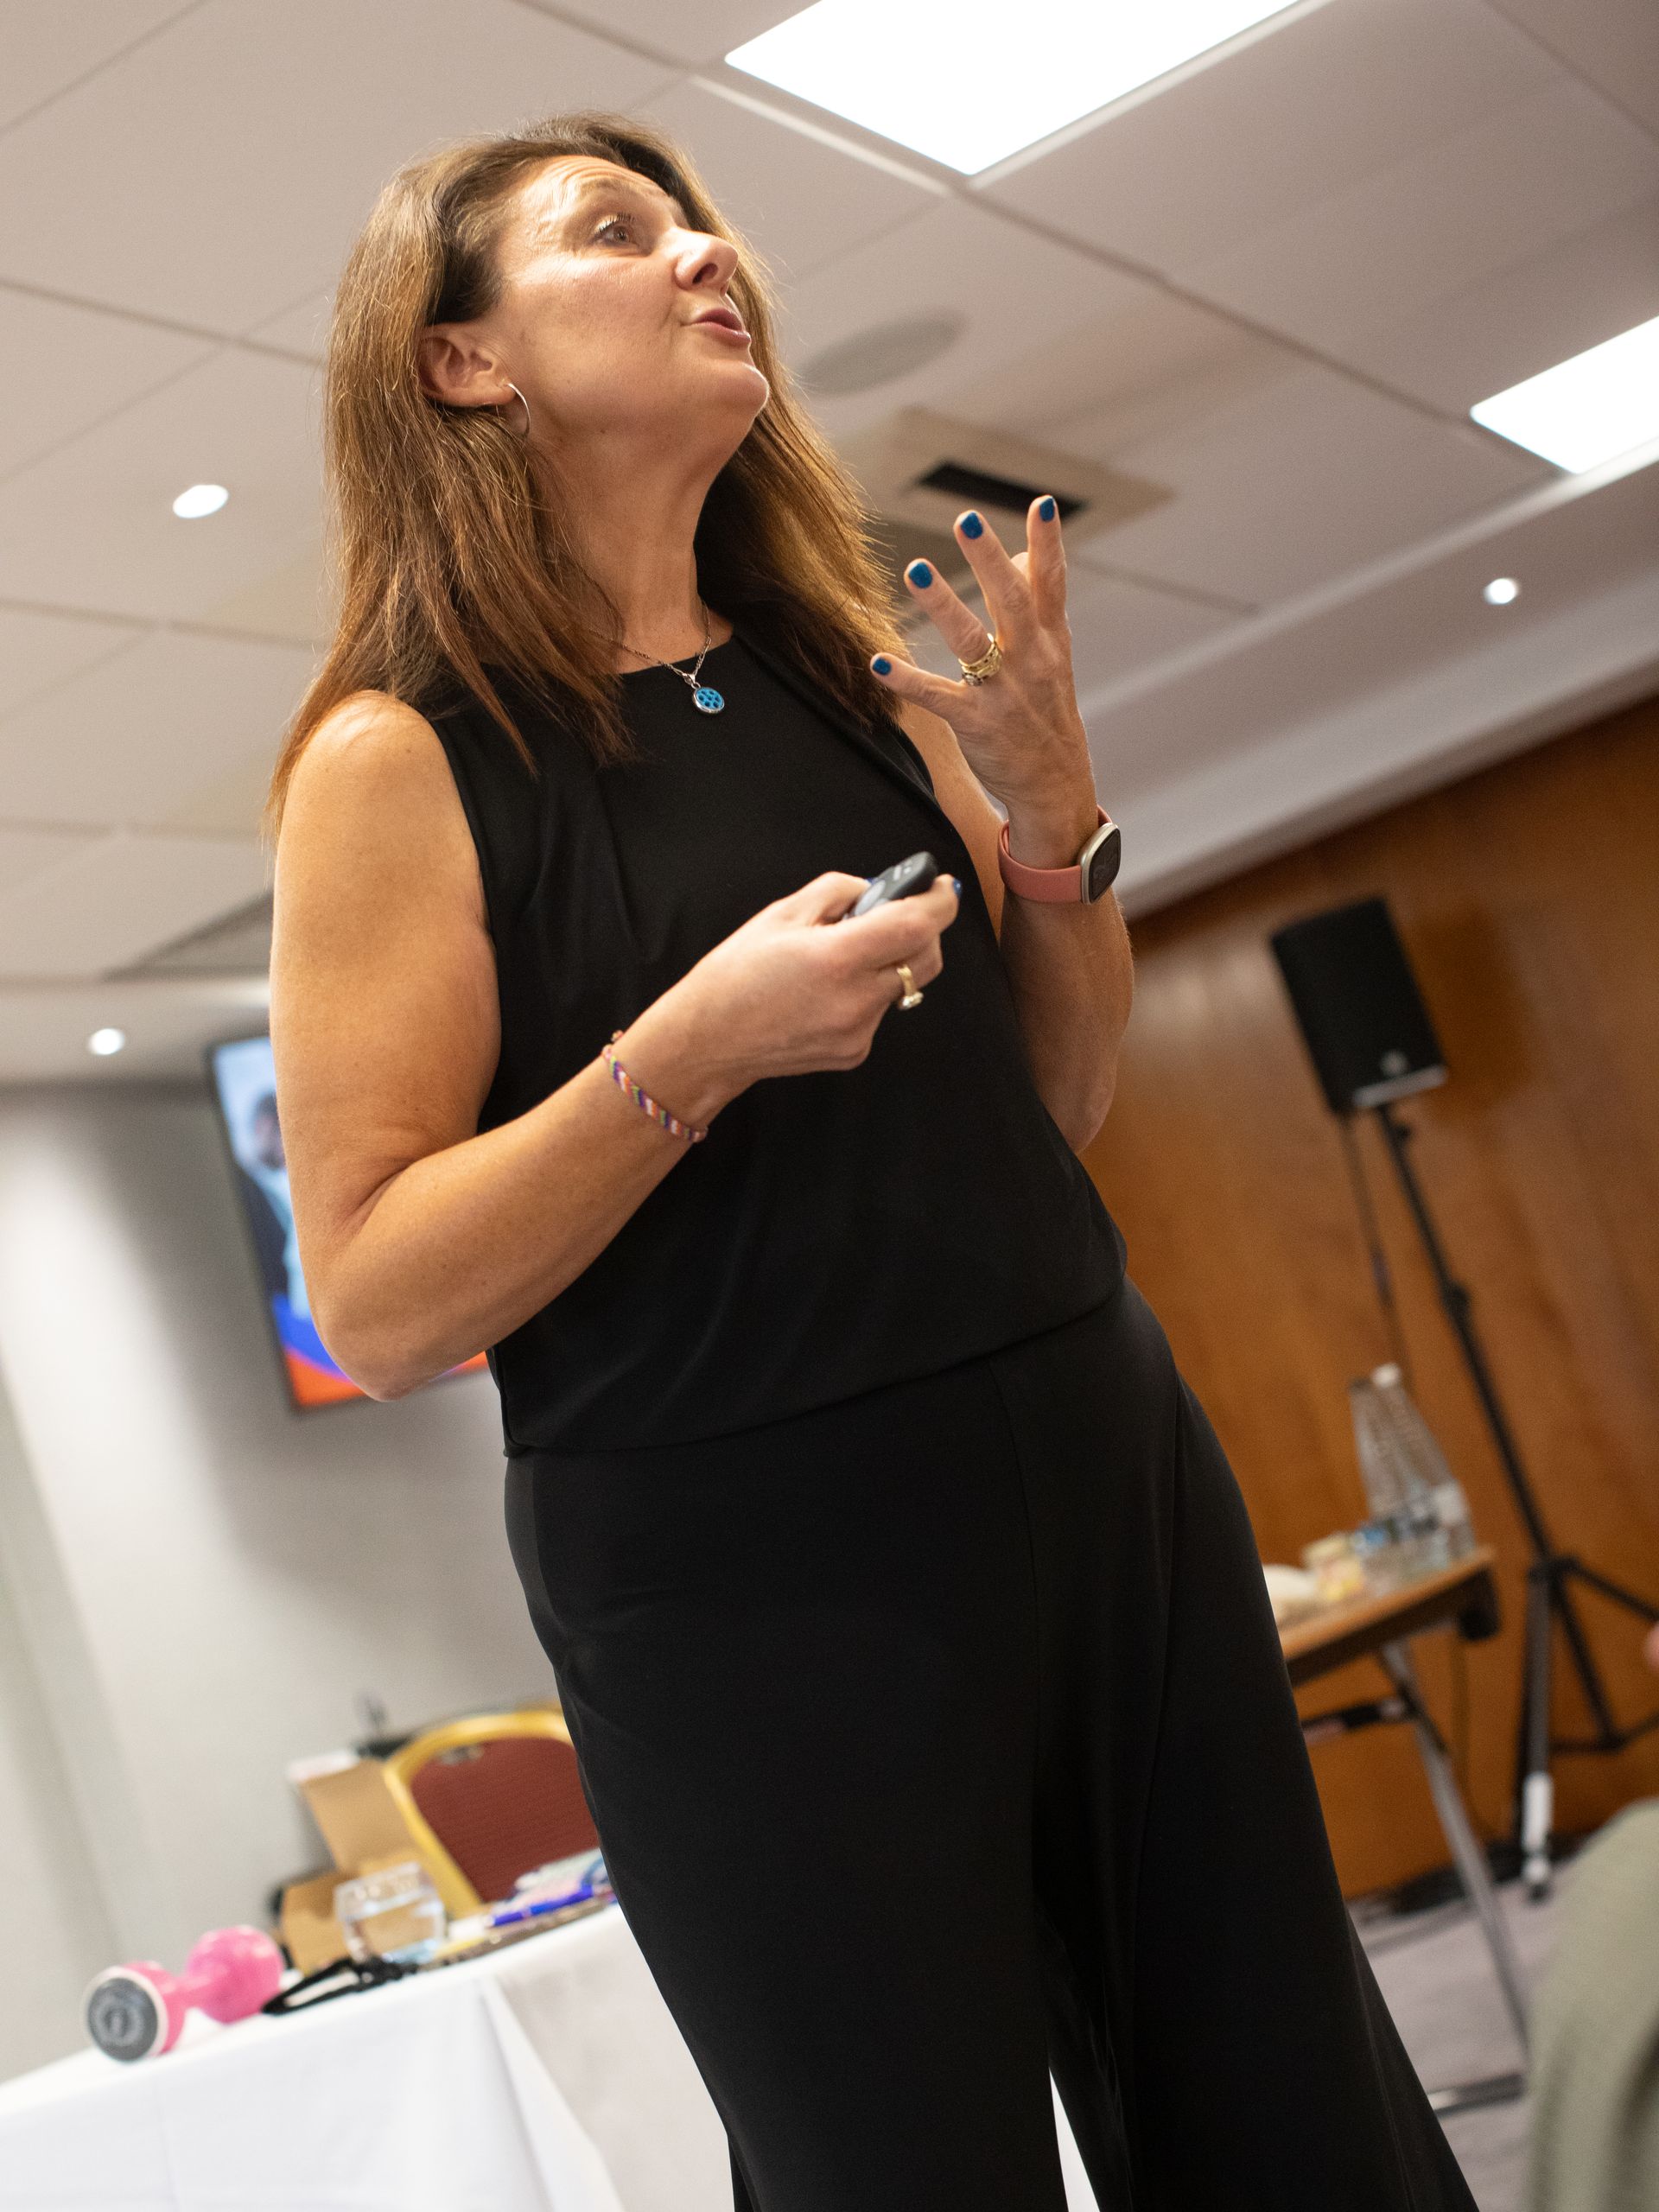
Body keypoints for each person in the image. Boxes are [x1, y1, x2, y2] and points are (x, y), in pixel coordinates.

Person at [264, 110, 1476, 2211]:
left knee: (1297, 2113)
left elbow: (1055, 1102)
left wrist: (1049, 823)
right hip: (747, 1575)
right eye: (615, 232)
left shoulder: (852, 666)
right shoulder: (402, 758)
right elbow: (371, 1297)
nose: (701, 250)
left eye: (701, 219)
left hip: (1096, 1455)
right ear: (462, 361)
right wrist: (690, 1051)